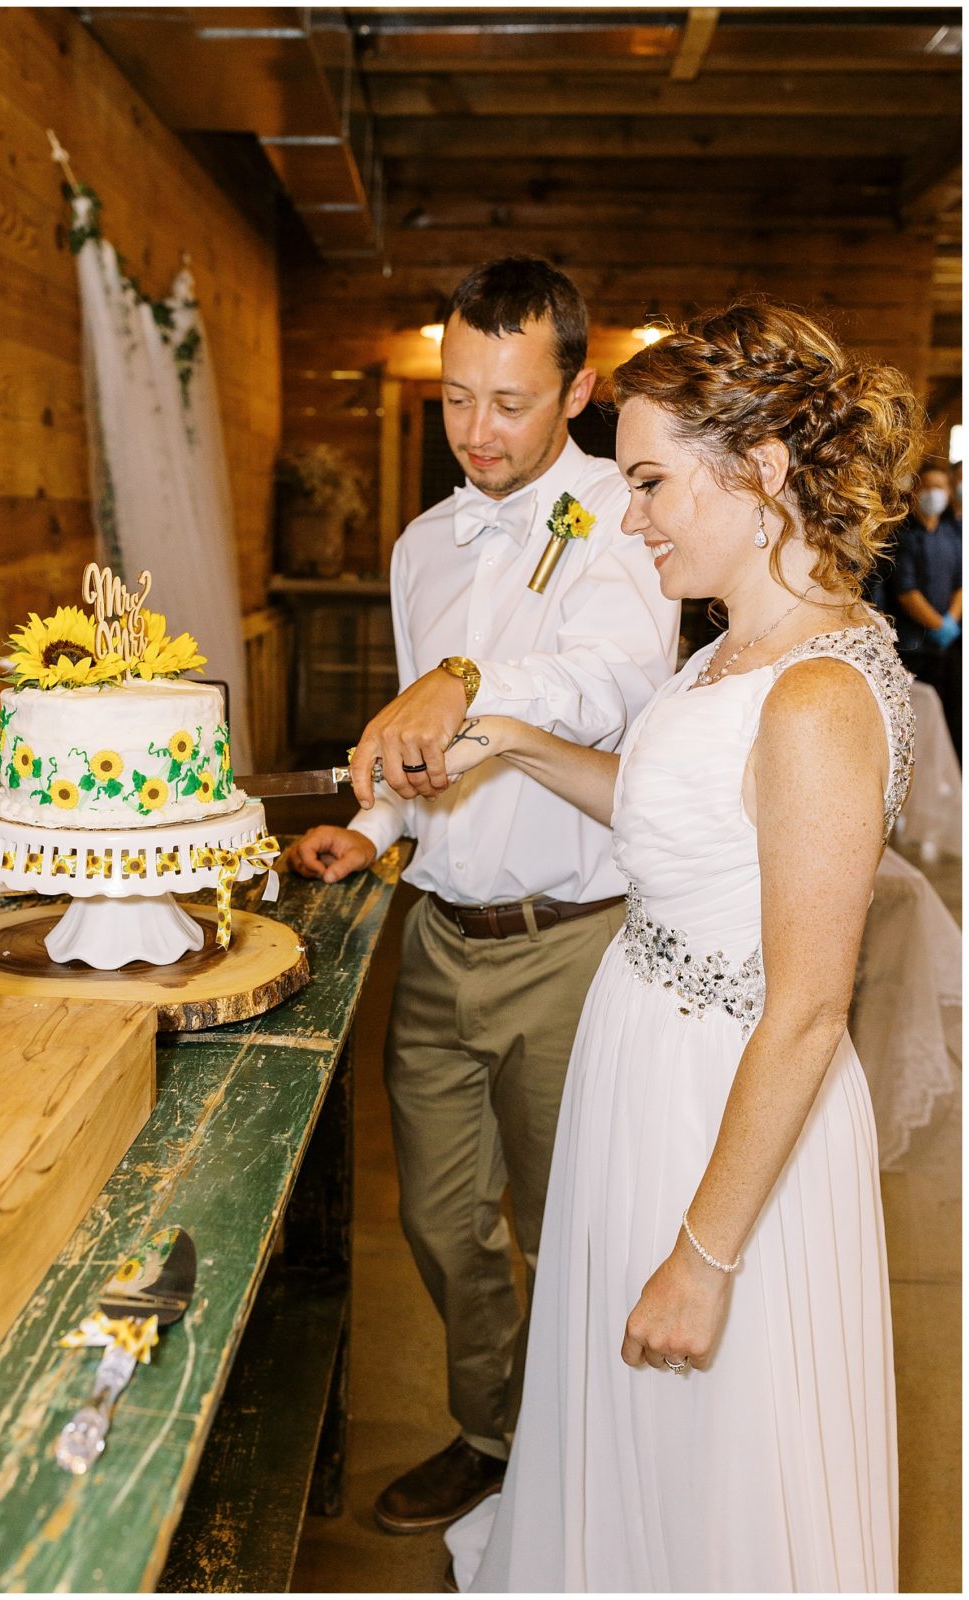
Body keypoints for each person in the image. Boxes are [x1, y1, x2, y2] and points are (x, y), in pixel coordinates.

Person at [432, 301, 920, 1591]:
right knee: (632, 1445)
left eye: (650, 481)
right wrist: (519, 744)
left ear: (760, 475)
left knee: (717, 1467)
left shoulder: (818, 695)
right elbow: (674, 824)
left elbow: (810, 1009)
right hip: (644, 1068)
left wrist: (705, 1260)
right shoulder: (729, 651)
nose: (631, 514)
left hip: (729, 1114)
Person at [283, 256, 679, 1532]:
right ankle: (497, 1433)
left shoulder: (630, 513)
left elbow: (607, 679)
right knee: (446, 1222)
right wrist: (373, 824)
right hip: (439, 939)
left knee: (574, 1225)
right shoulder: (419, 546)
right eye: (458, 399)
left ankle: (598, 1465)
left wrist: (468, 679)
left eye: (511, 403)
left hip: (577, 946)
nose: (479, 433)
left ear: (579, 389)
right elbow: (417, 741)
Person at [890, 463, 961, 759]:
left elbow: (961, 582)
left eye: (940, 487)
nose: (935, 493)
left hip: (945, 642)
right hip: (913, 642)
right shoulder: (904, 535)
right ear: (916, 490)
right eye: (928, 486)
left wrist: (951, 621)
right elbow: (906, 592)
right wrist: (935, 624)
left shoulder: (951, 535)